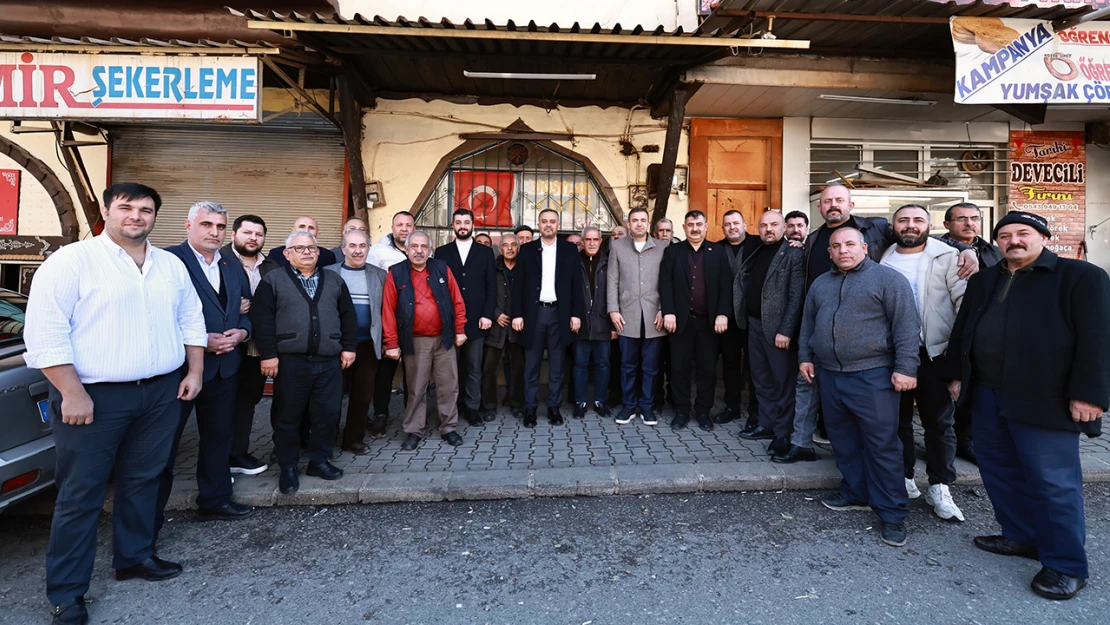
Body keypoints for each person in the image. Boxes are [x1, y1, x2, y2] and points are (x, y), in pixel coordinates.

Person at [24, 183, 207, 625]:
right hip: (92, 396)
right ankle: (67, 593)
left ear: (155, 218)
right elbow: (46, 332)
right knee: (81, 494)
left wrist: (195, 372)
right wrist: (71, 391)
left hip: (162, 390)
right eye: (126, 208)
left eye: (145, 210)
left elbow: (190, 318)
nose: (136, 217)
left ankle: (134, 557)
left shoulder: (169, 265)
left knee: (144, 480)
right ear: (107, 211)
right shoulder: (72, 261)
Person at [944, 211, 1110, 601]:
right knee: (998, 468)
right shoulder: (985, 279)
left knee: (1053, 482)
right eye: (1004, 235)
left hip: (1046, 397)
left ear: (1042, 237)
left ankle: (1067, 565)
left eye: (1023, 233)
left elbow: (1098, 340)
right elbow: (964, 329)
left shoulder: (1081, 277)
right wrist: (956, 375)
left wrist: (1090, 394)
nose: (1013, 241)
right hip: (987, 392)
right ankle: (1020, 536)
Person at [789, 185, 979, 460]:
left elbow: (916, 236)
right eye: (827, 201)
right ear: (819, 208)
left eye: (839, 200)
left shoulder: (876, 228)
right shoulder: (814, 238)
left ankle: (926, 479)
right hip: (832, 332)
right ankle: (808, 445)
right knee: (819, 393)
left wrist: (964, 247)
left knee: (926, 419)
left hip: (900, 340)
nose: (833, 205)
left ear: (850, 205)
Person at [799, 227, 921, 548]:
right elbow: (808, 323)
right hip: (830, 375)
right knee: (843, 440)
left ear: (864, 248)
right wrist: (805, 357)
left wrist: (906, 368)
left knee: (882, 446)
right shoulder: (821, 283)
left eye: (850, 244)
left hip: (874, 375)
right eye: (836, 246)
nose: (843, 250)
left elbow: (907, 326)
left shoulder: (888, 280)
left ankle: (892, 513)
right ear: (829, 252)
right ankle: (856, 492)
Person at [156, 201, 254, 538]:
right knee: (164, 444)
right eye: (207, 225)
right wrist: (199, 342)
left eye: (220, 227)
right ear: (188, 225)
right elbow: (156, 315)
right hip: (181, 372)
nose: (214, 232)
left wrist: (243, 331)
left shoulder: (230, 264)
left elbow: (242, 309)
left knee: (218, 438)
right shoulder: (167, 261)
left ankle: (214, 500)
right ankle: (150, 514)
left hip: (225, 368)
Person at [251, 229, 358, 495]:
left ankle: (319, 461)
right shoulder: (273, 280)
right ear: (287, 254)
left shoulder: (334, 280)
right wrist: (268, 354)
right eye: (299, 248)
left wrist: (349, 348)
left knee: (327, 414)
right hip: (290, 362)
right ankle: (288, 466)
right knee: (288, 415)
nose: (307, 252)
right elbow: (262, 320)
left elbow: (348, 317)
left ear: (319, 252)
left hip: (328, 361)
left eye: (311, 248)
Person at [880, 205, 967, 522]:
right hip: (892, 353)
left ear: (929, 225)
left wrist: (957, 361)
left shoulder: (947, 256)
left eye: (918, 220)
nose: (910, 225)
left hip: (935, 352)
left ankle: (940, 485)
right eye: (903, 220)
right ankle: (904, 477)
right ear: (893, 226)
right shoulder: (884, 256)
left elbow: (964, 308)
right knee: (897, 421)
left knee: (939, 423)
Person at [382, 231, 468, 450]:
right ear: (407, 249)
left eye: (423, 247)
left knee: (448, 385)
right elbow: (388, 311)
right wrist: (391, 342)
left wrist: (460, 329)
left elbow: (457, 300)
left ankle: (449, 427)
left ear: (430, 250)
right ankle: (413, 430)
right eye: (414, 247)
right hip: (415, 341)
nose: (419, 251)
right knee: (416, 388)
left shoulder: (441, 268)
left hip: (444, 339)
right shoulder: (396, 273)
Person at [732, 211, 804, 458]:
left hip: (778, 330)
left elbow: (796, 297)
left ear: (784, 227)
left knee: (782, 382)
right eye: (763, 225)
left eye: (774, 224)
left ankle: (783, 432)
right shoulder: (756, 249)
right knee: (761, 378)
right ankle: (766, 424)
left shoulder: (794, 254)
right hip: (754, 324)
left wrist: (786, 330)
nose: (768, 229)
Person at [939, 201, 1001, 464]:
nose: (969, 223)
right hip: (945, 328)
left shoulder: (994, 252)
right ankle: (944, 439)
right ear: (947, 224)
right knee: (944, 388)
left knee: (974, 385)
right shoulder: (936, 248)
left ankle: (967, 438)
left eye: (974, 218)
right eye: (961, 218)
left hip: (983, 330)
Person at [659, 210, 732, 430]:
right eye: (690, 224)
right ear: (684, 227)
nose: (695, 228)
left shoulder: (717, 252)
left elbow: (726, 285)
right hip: (680, 321)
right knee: (679, 369)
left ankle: (703, 411)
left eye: (699, 224)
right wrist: (668, 311)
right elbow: (665, 283)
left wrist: (722, 313)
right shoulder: (673, 252)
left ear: (706, 226)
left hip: (708, 322)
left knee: (707, 369)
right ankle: (681, 410)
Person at [512, 208, 584, 427]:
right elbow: (518, 286)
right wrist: (517, 314)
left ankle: (554, 407)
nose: (548, 225)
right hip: (534, 314)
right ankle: (530, 409)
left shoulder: (569, 250)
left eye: (552, 221)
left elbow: (576, 285)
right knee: (531, 364)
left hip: (559, 313)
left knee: (557, 364)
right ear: (539, 224)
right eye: (544, 221)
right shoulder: (526, 250)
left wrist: (576, 314)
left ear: (558, 225)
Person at [223, 215, 277, 475]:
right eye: (247, 232)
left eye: (259, 234)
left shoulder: (271, 267)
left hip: (257, 347)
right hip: (225, 347)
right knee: (221, 404)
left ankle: (237, 454)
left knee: (247, 401)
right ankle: (218, 458)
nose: (253, 238)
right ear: (233, 234)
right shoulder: (219, 261)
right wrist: (235, 308)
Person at [325, 229, 387, 454]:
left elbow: (387, 311)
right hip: (336, 345)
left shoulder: (380, 275)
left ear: (368, 249)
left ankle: (353, 439)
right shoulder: (328, 273)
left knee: (362, 395)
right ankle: (326, 438)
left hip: (368, 344)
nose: (358, 250)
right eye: (352, 246)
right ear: (343, 249)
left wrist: (387, 340)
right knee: (332, 394)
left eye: (362, 246)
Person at [436, 209, 496, 425]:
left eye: (467, 222)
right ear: (453, 225)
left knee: (473, 367)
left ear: (473, 225)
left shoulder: (485, 252)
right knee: (450, 369)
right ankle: (452, 407)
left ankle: (472, 407)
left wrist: (487, 314)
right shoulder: (441, 252)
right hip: (449, 321)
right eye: (459, 222)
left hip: (477, 319)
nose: (463, 225)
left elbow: (491, 287)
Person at [608, 207, 667, 425]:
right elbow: (612, 279)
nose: (639, 224)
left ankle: (647, 407)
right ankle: (628, 406)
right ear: (628, 224)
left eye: (643, 220)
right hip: (627, 314)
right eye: (635, 220)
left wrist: (664, 308)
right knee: (628, 365)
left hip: (654, 315)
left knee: (651, 367)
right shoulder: (617, 246)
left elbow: (667, 281)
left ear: (648, 223)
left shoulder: (662, 247)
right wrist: (613, 309)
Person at [366, 211, 415, 434]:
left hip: (416, 324)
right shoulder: (377, 251)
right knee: (384, 372)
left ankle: (412, 417)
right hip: (389, 321)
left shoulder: (420, 248)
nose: (404, 228)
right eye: (400, 225)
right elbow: (371, 287)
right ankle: (381, 415)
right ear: (392, 227)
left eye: (408, 225)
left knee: (413, 373)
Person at [716, 210, 761, 427]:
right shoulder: (715, 248)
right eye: (727, 224)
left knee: (755, 366)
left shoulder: (760, 244)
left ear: (745, 224)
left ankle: (756, 411)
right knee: (730, 365)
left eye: (736, 223)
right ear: (722, 228)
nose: (732, 227)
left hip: (753, 317)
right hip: (727, 318)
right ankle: (732, 407)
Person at [572, 226, 613, 418]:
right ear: (582, 241)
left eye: (595, 239)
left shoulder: (610, 261)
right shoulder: (574, 261)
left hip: (603, 322)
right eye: (588, 239)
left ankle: (599, 401)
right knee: (579, 365)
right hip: (580, 323)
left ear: (601, 241)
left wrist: (614, 324)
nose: (592, 243)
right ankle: (580, 402)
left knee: (603, 364)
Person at [482, 233, 525, 417]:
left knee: (518, 367)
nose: (509, 248)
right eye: (505, 245)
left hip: (518, 325)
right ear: (500, 249)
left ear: (518, 247)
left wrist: (520, 315)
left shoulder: (524, 268)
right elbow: (484, 293)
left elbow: (529, 295)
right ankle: (489, 406)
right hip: (496, 325)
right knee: (489, 368)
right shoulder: (492, 267)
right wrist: (495, 314)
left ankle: (516, 403)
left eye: (513, 245)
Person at [266, 216, 338, 269]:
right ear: (292, 232)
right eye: (302, 226)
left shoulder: (328, 256)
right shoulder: (276, 254)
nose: (306, 230)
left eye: (311, 228)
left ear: (318, 234)